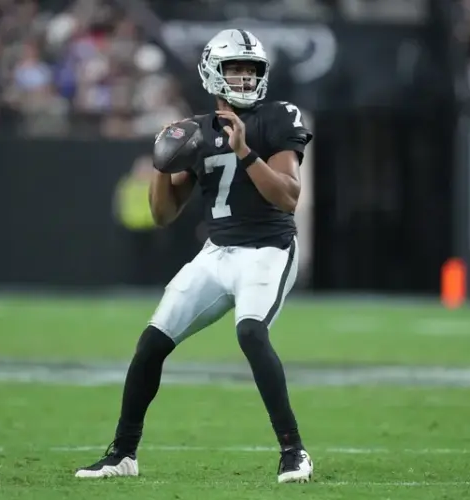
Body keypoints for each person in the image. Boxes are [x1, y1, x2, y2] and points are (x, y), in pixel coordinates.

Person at [75, 29, 314, 482]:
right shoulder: (199, 130)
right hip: (217, 252)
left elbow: (287, 197)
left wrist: (244, 150)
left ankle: (294, 452)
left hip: (268, 249)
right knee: (151, 343)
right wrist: (161, 166)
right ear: (212, 73)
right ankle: (123, 454)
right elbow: (163, 214)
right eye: (234, 69)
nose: (244, 78)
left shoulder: (278, 117)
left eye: (250, 69)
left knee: (250, 333)